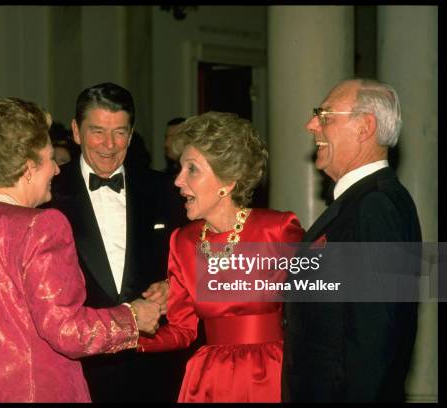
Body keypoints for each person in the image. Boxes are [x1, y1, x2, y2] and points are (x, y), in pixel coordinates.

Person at [0, 97, 161, 402]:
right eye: (51, 158)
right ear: (28, 167)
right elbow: (68, 331)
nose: (57, 170)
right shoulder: (41, 226)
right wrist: (132, 318)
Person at [137, 111, 305, 402]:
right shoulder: (184, 240)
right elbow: (182, 330)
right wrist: (123, 337)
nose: (177, 181)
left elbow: (319, 309)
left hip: (273, 376)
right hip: (209, 380)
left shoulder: (276, 229)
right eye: (180, 169)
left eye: (192, 170)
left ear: (227, 181)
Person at [46, 82, 188, 402]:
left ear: (131, 132)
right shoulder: (47, 193)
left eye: (120, 132)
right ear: (76, 131)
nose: (109, 145)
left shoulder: (164, 189)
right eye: (97, 131)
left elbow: (195, 259)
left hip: (155, 372)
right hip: (79, 375)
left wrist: (174, 284)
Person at [281, 79, 421, 402]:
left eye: (325, 115)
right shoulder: (364, 201)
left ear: (364, 127)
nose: (311, 124)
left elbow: (374, 341)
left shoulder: (376, 206)